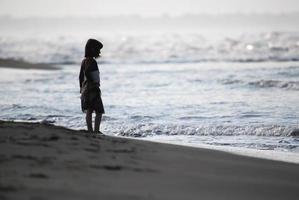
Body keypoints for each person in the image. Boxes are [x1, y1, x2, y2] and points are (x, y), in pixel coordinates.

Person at [79, 39, 105, 134]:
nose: (99, 52)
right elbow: (87, 72)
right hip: (92, 89)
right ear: (92, 49)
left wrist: (81, 88)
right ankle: (96, 130)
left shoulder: (84, 61)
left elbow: (81, 76)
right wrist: (94, 83)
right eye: (98, 49)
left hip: (85, 89)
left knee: (89, 110)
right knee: (99, 111)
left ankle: (90, 130)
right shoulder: (92, 61)